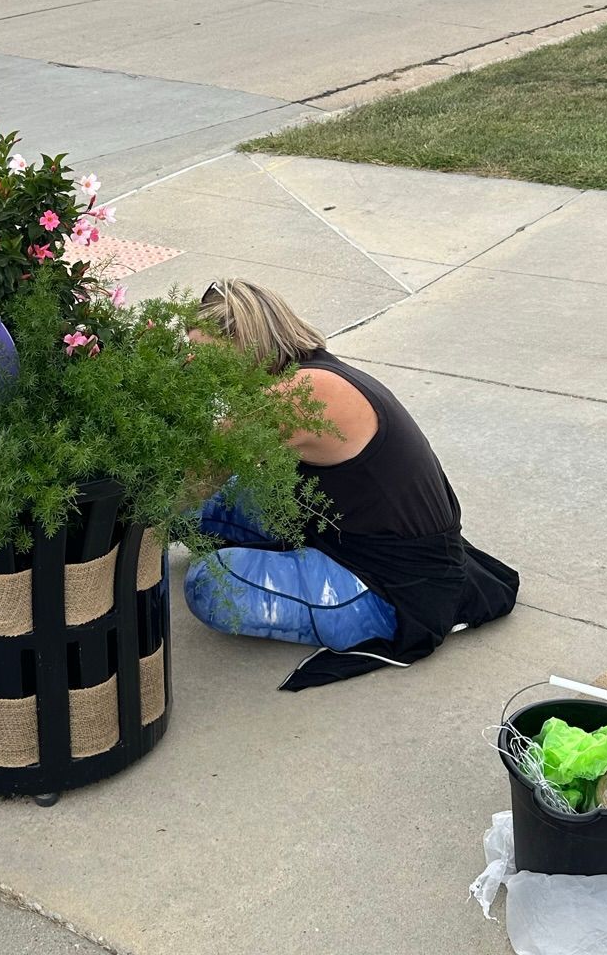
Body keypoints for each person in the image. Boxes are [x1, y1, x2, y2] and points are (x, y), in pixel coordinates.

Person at [187, 278, 518, 687]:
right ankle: (290, 563)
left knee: (209, 585)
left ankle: (359, 611)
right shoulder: (311, 371)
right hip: (353, 535)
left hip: (393, 584)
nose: (201, 371)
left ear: (246, 344)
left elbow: (193, 473)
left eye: (208, 358)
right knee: (198, 514)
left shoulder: (299, 394)